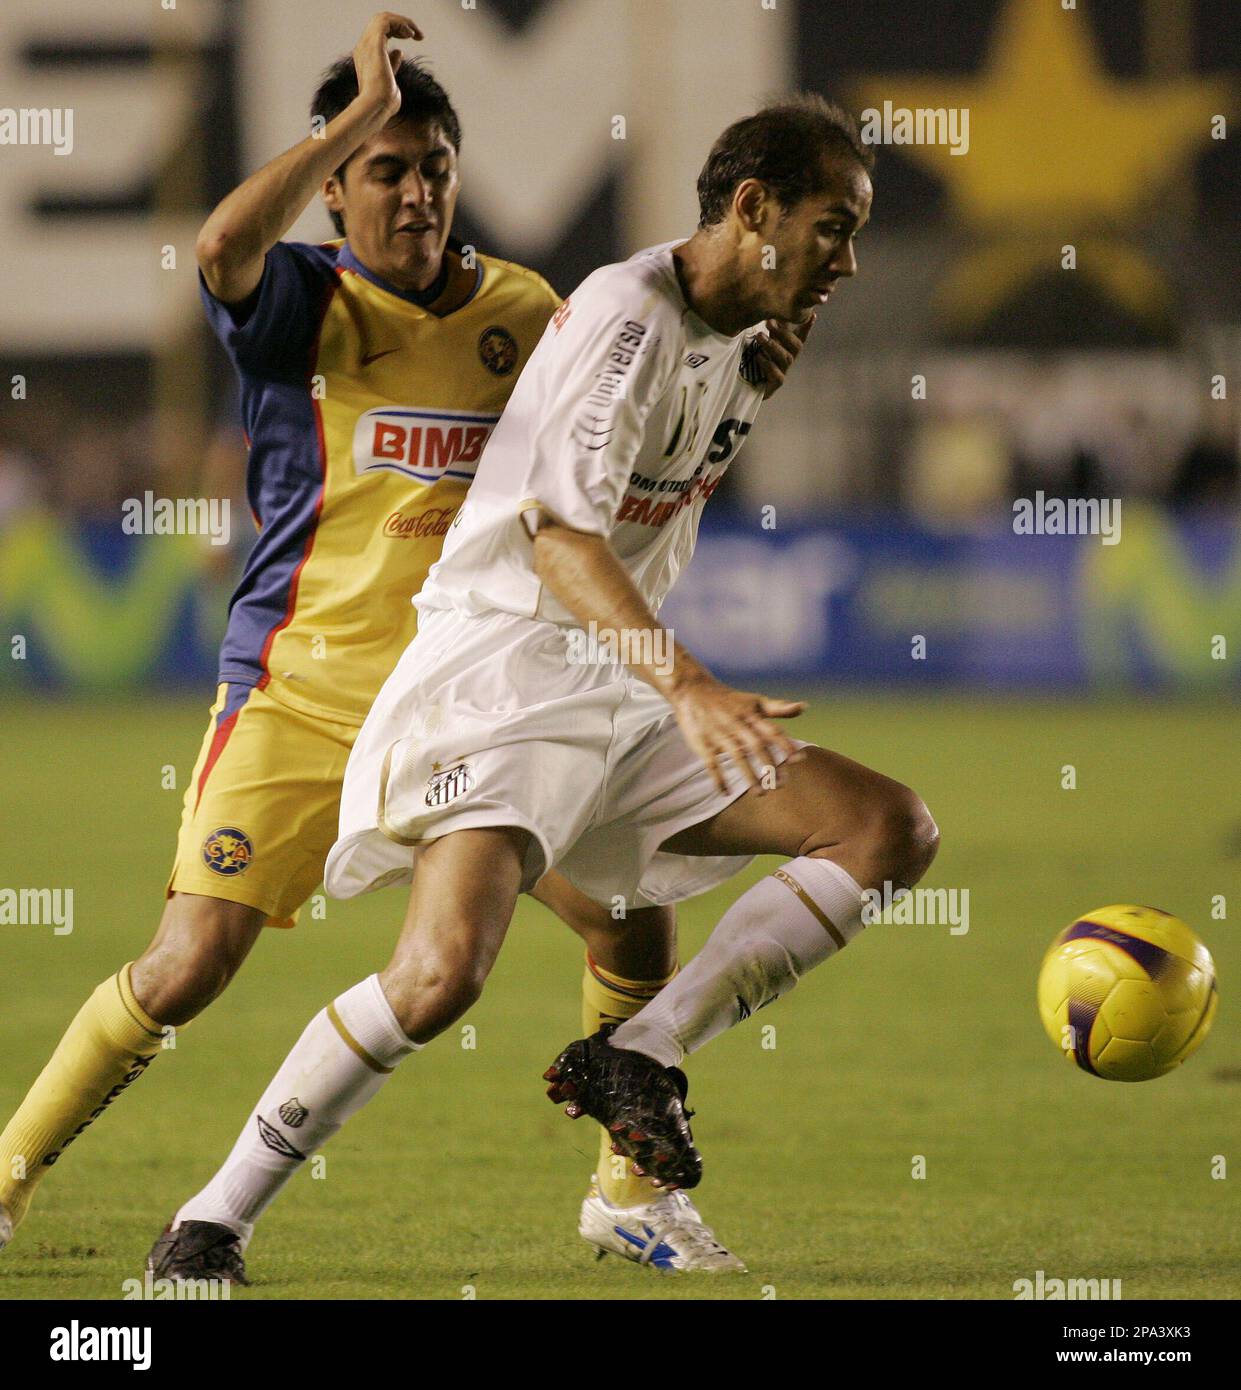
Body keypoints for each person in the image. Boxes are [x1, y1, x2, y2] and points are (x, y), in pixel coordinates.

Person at [0, 13, 779, 1281]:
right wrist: (348, 113)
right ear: (336, 179)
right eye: (384, 167)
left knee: (628, 923)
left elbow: (626, 423)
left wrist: (747, 364)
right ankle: (9, 1174)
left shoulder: (527, 312)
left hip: (476, 708)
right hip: (302, 695)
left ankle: (627, 1192)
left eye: (433, 165)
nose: (415, 190)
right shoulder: (303, 300)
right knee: (189, 962)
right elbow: (219, 245)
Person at [168, 90, 936, 1271]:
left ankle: (645, 1059)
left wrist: (749, 385)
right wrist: (685, 687)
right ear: (752, 209)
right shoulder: (628, 319)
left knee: (883, 828)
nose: (847, 258)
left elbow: (652, 503)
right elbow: (561, 539)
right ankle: (210, 1219)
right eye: (833, 226)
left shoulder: (742, 338)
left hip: (612, 694)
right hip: (506, 674)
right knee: (436, 980)